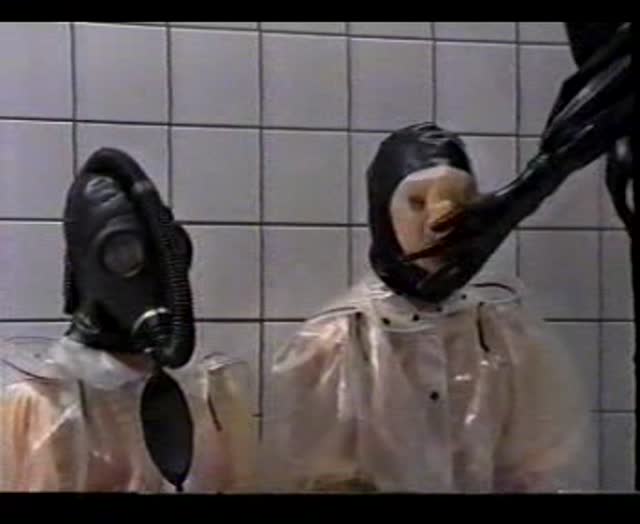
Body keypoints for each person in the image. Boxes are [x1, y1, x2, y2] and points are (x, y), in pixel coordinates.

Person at [261, 124, 589, 493]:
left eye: (461, 203)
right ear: (383, 213)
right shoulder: (336, 344)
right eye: (417, 203)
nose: (440, 225)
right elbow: (318, 477)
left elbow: (538, 471)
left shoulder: (506, 339)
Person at [0, 148, 256, 492]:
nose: (149, 276)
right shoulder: (43, 406)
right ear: (85, 268)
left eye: (164, 253)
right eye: (123, 255)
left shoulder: (212, 391)